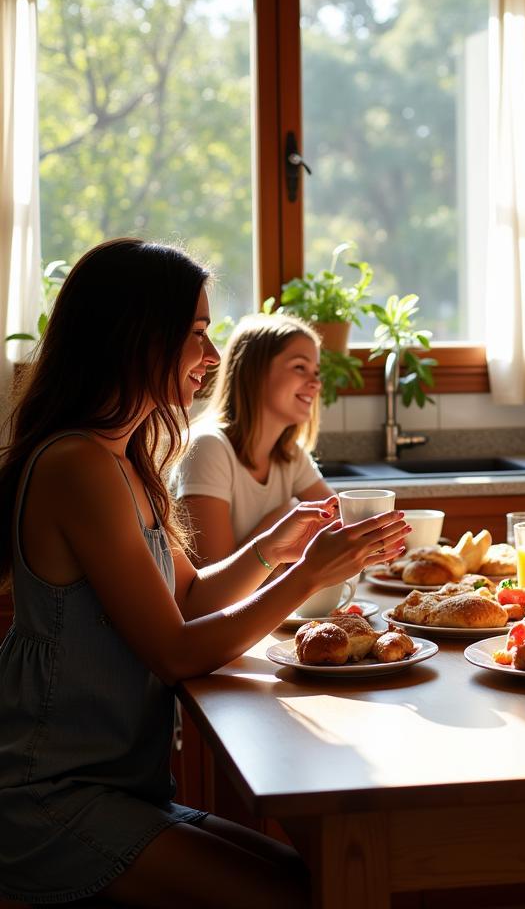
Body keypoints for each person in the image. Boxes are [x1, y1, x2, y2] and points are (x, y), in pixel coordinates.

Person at [0, 239, 409, 907]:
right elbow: (175, 649)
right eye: (195, 335)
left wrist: (270, 549)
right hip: (49, 797)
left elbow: (187, 598)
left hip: (115, 787)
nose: (212, 358)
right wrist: (304, 577)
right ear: (136, 336)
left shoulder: (125, 461)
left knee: (324, 882)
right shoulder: (77, 466)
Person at [175, 313, 334, 568]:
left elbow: (339, 523)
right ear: (254, 372)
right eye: (300, 367)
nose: (316, 383)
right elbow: (212, 578)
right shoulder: (207, 447)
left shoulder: (289, 456)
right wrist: (285, 515)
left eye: (316, 372)